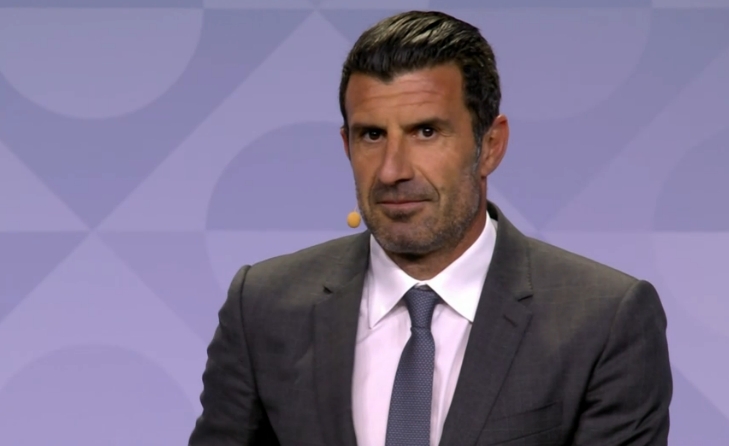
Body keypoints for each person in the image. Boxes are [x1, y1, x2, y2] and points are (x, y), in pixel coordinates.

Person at [188, 10, 672, 446]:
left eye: (426, 132)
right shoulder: (263, 307)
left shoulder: (604, 320)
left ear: (490, 145)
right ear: (346, 145)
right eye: (371, 135)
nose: (392, 170)